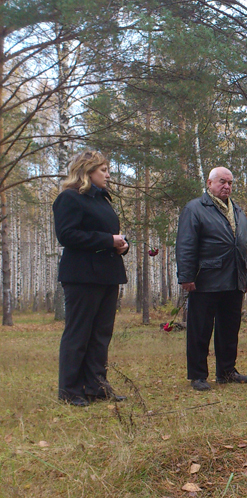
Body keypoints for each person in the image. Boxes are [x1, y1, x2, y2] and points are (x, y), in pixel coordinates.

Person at [53, 150, 129, 407]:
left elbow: (109, 235)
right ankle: (70, 390)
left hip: (107, 274)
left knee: (100, 334)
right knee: (79, 333)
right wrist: (108, 240)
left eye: (107, 170)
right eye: (103, 170)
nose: (108, 175)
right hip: (82, 276)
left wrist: (121, 245)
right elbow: (67, 235)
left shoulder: (102, 200)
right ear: (87, 171)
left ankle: (96, 386)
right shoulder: (69, 198)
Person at [176, 167, 247, 391]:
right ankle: (198, 375)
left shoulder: (237, 211)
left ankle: (227, 371)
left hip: (234, 279)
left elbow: (245, 246)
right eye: (222, 182)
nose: (227, 186)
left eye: (230, 183)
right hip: (205, 279)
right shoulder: (195, 208)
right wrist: (186, 276)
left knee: (229, 328)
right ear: (209, 183)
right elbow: (186, 245)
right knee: (200, 329)